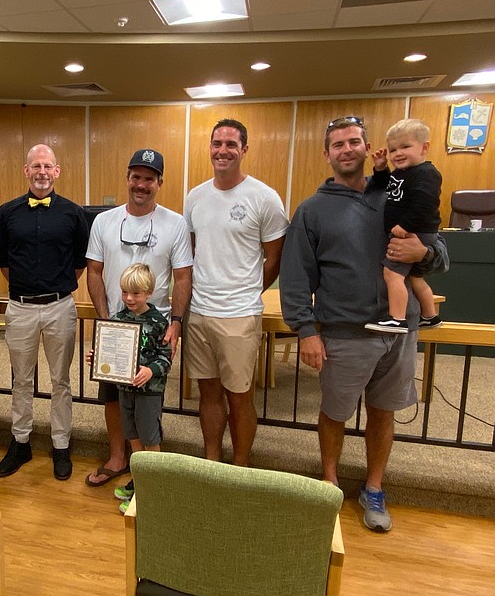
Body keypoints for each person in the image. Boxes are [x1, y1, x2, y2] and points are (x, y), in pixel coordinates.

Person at [279, 116, 449, 532]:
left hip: (399, 333)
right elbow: (297, 276)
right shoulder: (312, 210)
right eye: (338, 144)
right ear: (328, 154)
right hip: (344, 332)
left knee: (384, 412)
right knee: (334, 413)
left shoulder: (398, 192)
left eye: (354, 141)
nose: (347, 149)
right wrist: (304, 331)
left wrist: (420, 253)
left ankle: (374, 487)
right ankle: (330, 482)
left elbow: (440, 254)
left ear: (368, 147)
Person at [84, 148, 192, 487]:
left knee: (145, 398)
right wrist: (105, 323)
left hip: (153, 327)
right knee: (114, 396)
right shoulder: (104, 221)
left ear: (159, 182)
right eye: (136, 177)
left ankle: (150, 471)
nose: (141, 184)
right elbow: (94, 271)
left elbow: (183, 276)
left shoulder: (175, 223)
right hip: (116, 327)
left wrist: (175, 322)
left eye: (148, 178)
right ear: (127, 178)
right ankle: (119, 458)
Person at [183, 118, 289, 465]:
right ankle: (212, 461)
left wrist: (246, 293)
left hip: (240, 315)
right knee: (208, 393)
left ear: (244, 149)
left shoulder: (264, 197)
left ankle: (240, 466)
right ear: (210, 148)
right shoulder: (195, 197)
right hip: (199, 312)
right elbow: (194, 251)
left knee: (239, 397)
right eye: (217, 143)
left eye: (231, 144)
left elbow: (274, 258)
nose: (223, 150)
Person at [0, 144, 89, 480]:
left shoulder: (74, 213)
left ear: (57, 171)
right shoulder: (7, 213)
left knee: (61, 380)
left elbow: (79, 262)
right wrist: (28, 290)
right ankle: (21, 442)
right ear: (26, 170)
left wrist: (55, 287)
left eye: (48, 166)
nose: (42, 172)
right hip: (19, 307)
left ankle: (61, 444)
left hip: (60, 306)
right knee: (21, 379)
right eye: (36, 166)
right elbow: (2, 260)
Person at [88, 263, 172, 514]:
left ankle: (153, 490)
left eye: (135, 293)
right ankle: (139, 481)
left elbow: (166, 357)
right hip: (125, 391)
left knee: (149, 438)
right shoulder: (118, 319)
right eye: (125, 292)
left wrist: (150, 370)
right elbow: (111, 353)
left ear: (149, 293)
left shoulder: (158, 322)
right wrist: (99, 357)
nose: (129, 298)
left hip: (149, 392)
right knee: (133, 437)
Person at [365, 118, 443, 333]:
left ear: (424, 147)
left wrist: (405, 226)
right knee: (415, 277)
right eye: (392, 149)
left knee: (393, 275)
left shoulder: (425, 174)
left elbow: (425, 204)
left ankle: (397, 318)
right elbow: (387, 187)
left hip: (414, 234)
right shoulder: (401, 173)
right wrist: (381, 169)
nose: (397, 153)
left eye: (405, 147)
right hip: (411, 232)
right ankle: (430, 315)